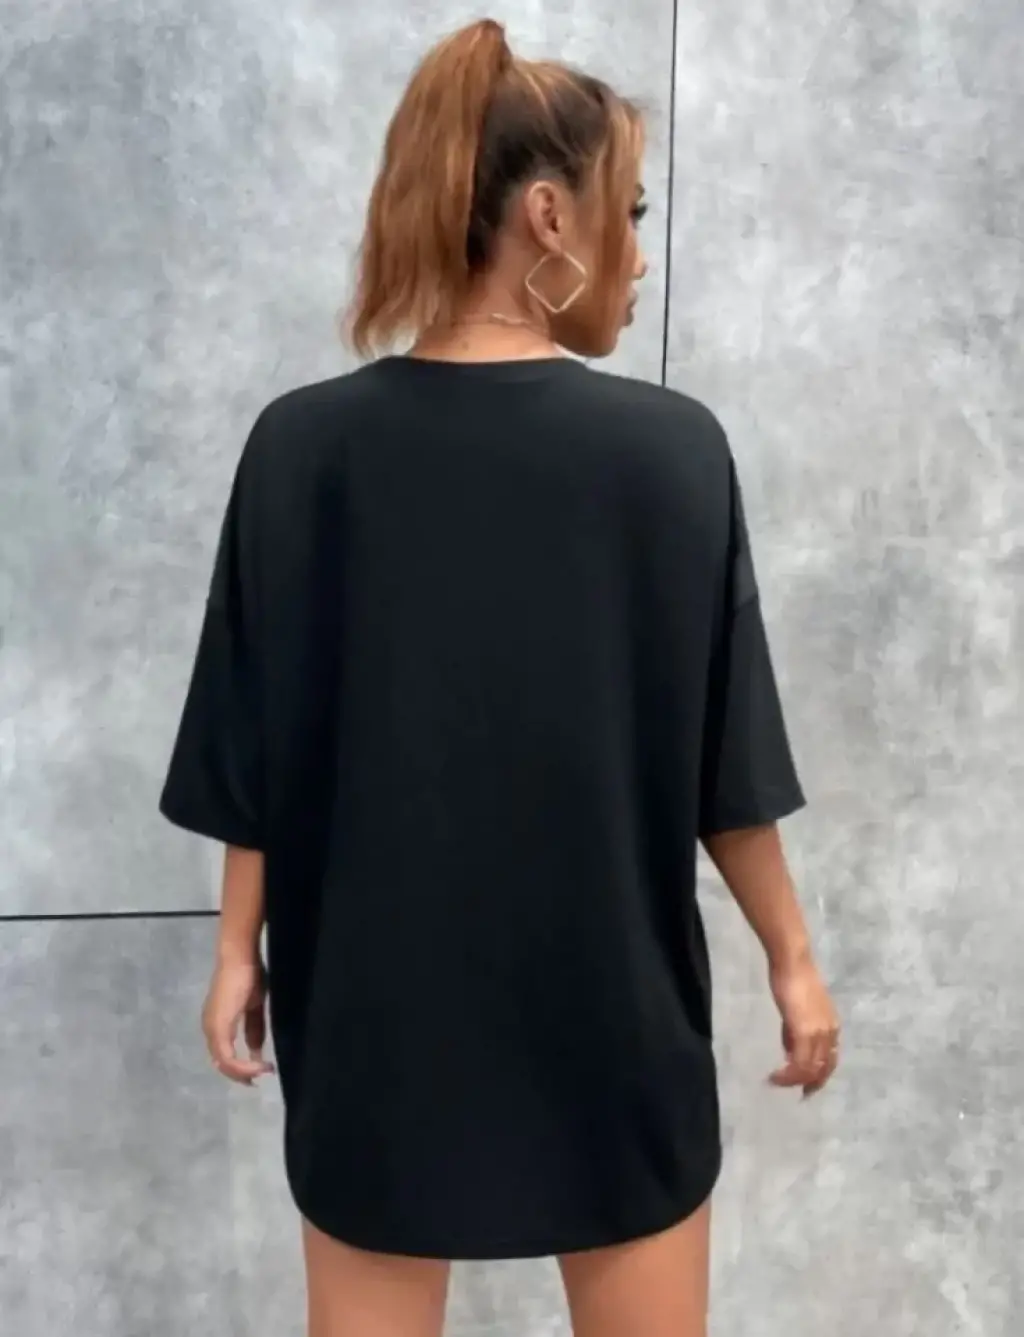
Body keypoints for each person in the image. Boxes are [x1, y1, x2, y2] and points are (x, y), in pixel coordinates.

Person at [160, 17, 840, 1337]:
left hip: (375, 1014)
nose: (641, 257)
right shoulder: (670, 455)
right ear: (548, 217)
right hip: (611, 1006)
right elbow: (729, 760)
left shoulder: (303, 451)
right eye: (629, 214)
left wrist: (238, 949)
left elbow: (256, 742)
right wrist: (794, 963)